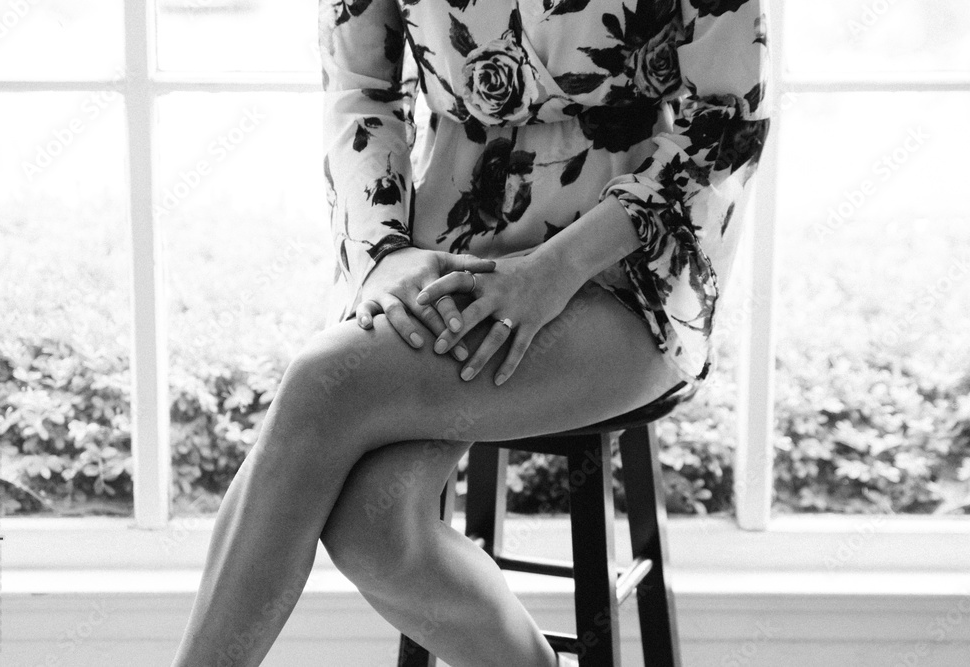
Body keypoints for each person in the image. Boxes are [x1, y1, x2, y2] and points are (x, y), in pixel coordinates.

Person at [171, 0, 771, 665]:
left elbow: (725, 122)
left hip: (625, 271)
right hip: (447, 251)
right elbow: (360, 90)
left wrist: (555, 268)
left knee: (322, 385)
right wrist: (382, 251)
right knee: (376, 528)